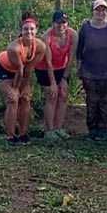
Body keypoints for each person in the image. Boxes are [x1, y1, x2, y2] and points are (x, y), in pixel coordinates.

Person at [0, 14, 50, 145]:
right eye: (25, 29)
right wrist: (17, 88)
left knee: (25, 97)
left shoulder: (41, 46)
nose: (29, 32)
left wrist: (25, 88)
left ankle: (23, 133)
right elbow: (20, 71)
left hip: (22, 71)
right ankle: (10, 136)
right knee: (13, 98)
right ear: (21, 31)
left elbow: (29, 69)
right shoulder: (14, 48)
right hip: (4, 69)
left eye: (31, 29)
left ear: (36, 30)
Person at [77, 0, 107, 141]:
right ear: (93, 11)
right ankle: (92, 130)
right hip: (89, 70)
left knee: (105, 101)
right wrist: (79, 66)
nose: (101, 12)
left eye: (104, 10)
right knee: (92, 101)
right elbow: (79, 49)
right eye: (98, 9)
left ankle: (102, 130)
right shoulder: (85, 27)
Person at [35, 10, 78, 141]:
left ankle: (59, 128)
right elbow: (47, 62)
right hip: (44, 68)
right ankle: (49, 130)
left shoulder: (73, 34)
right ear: (53, 23)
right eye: (58, 23)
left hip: (61, 67)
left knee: (63, 95)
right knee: (51, 95)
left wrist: (64, 78)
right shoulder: (46, 37)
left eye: (64, 22)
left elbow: (71, 58)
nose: (61, 26)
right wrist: (53, 83)